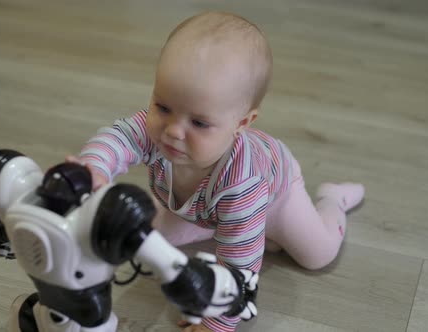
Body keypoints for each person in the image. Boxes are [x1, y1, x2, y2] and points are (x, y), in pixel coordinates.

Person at [68, 11, 365, 332]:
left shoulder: (242, 186)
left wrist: (217, 324)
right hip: (201, 208)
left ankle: (332, 200)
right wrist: (94, 168)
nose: (173, 131)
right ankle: (218, 225)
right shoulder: (155, 131)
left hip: (277, 197)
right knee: (146, 239)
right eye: (162, 106)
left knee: (317, 254)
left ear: (242, 124)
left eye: (198, 123)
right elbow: (118, 139)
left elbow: (240, 266)